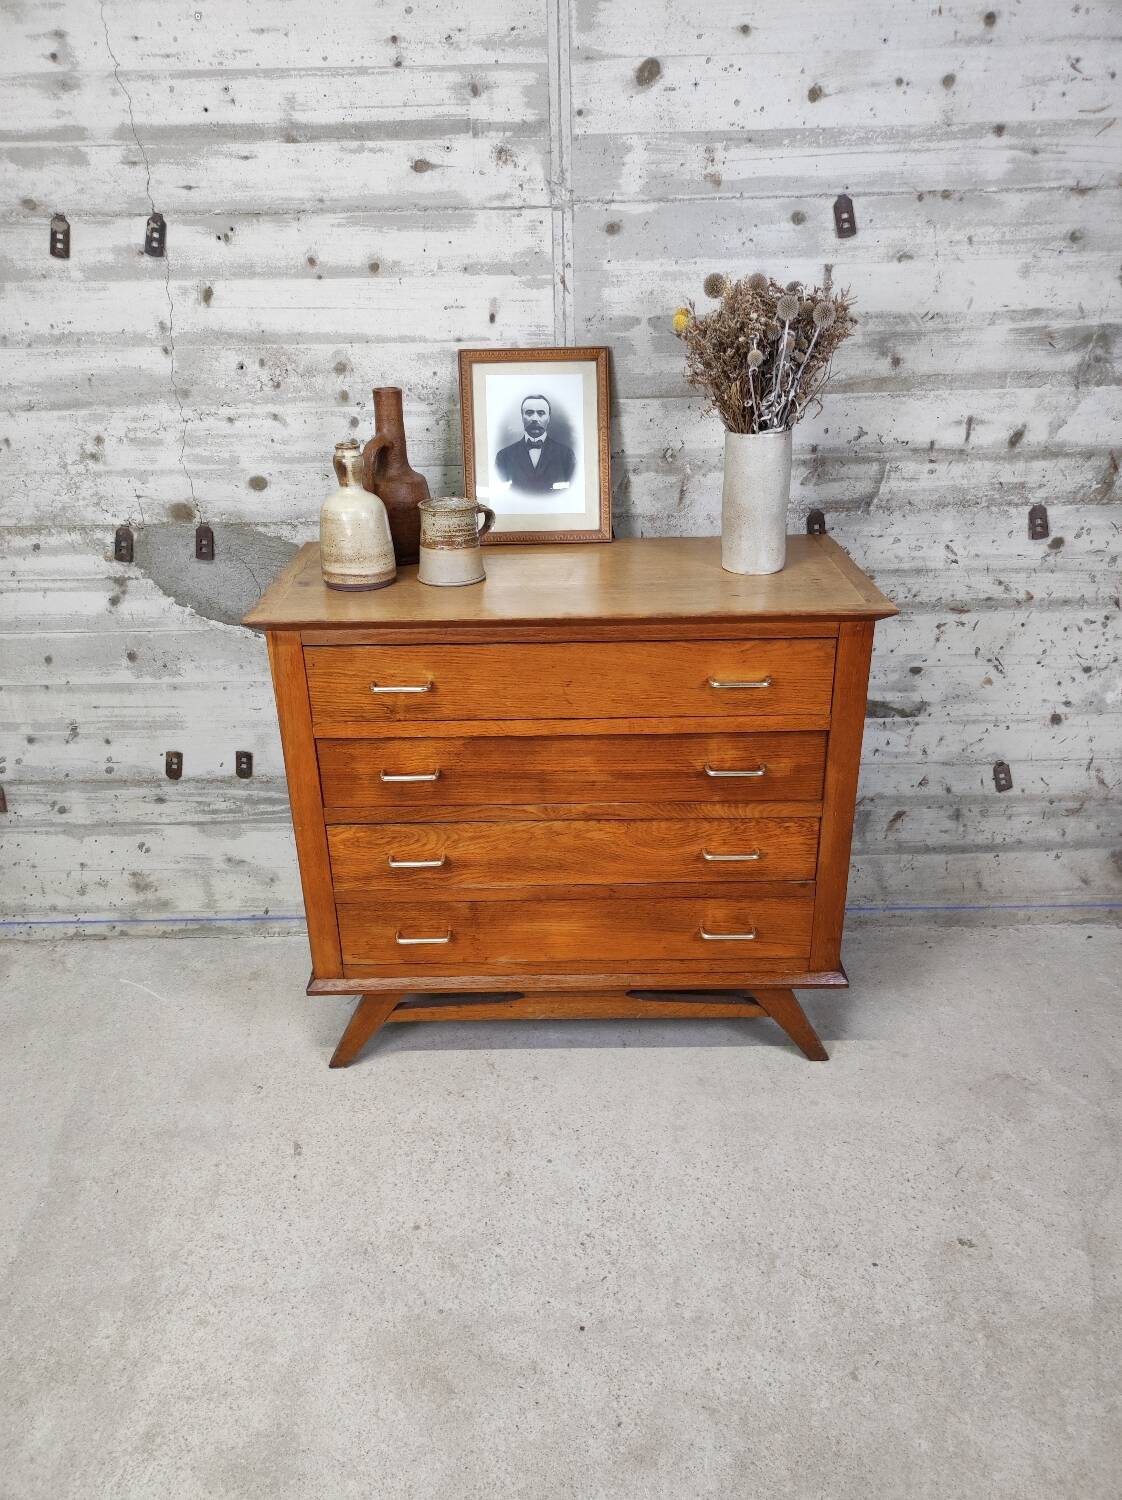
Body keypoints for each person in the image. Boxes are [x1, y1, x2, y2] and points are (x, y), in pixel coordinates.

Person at [494, 395, 575, 494]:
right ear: (522, 417)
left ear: (548, 418)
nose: (535, 418)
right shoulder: (503, 456)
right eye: (529, 413)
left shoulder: (566, 455)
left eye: (541, 413)